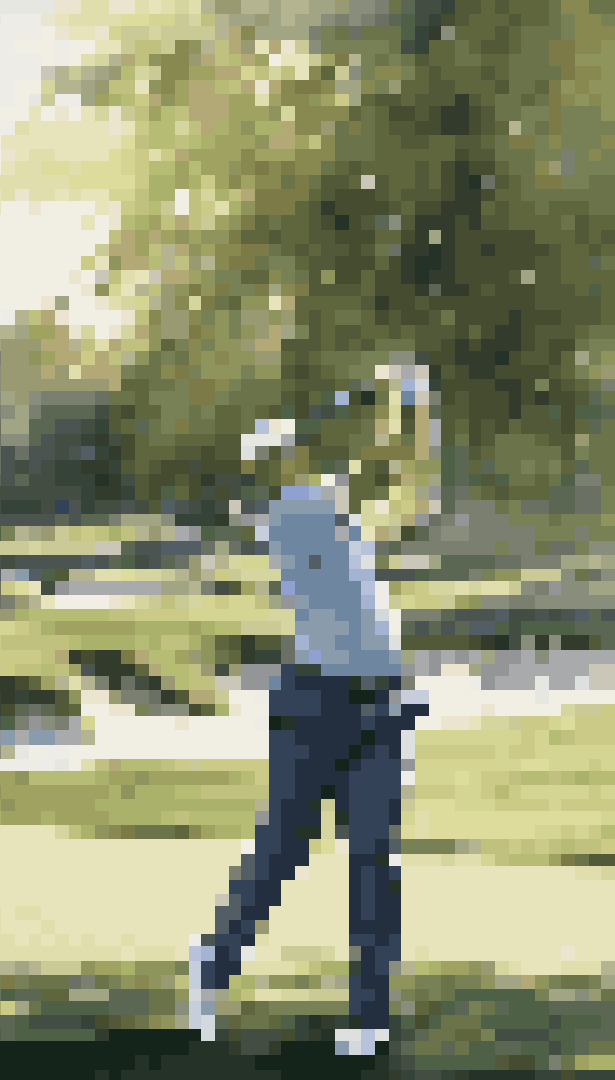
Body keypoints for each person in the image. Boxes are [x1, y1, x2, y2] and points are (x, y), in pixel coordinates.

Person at [190, 398, 431, 1058]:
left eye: (290, 448)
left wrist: (416, 415)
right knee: (283, 851)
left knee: (374, 858)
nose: (293, 456)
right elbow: (377, 465)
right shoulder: (290, 515)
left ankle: (369, 1016)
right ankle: (211, 969)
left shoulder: (336, 517)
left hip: (380, 704)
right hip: (316, 705)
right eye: (279, 453)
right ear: (268, 471)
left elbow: (407, 486)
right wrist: (402, 401)